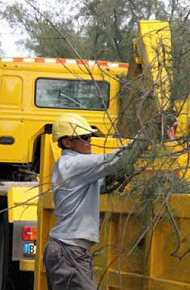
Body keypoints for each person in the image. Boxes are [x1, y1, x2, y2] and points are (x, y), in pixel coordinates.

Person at [43, 113, 145, 290]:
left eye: (90, 136)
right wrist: (146, 136)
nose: (89, 140)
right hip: (69, 251)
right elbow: (113, 160)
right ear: (67, 142)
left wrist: (120, 174)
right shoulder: (72, 164)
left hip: (71, 251)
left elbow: (103, 183)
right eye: (84, 137)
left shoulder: (75, 169)